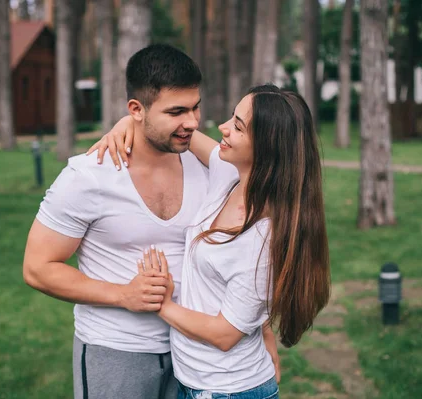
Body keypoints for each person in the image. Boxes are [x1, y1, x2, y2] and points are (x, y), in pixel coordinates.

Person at [23, 44, 279, 399]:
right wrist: (123, 295)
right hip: (116, 351)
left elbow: (243, 264)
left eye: (195, 107)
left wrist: (263, 331)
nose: (191, 122)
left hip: (195, 360)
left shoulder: (209, 168)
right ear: (136, 110)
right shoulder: (88, 176)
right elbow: (37, 267)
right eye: (176, 111)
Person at [89, 85, 331, 398]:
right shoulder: (229, 175)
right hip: (196, 382)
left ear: (267, 147)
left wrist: (161, 304)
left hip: (229, 389)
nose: (223, 128)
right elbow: (183, 135)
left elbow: (224, 334)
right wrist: (129, 123)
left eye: (238, 126)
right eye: (233, 117)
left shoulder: (262, 238)